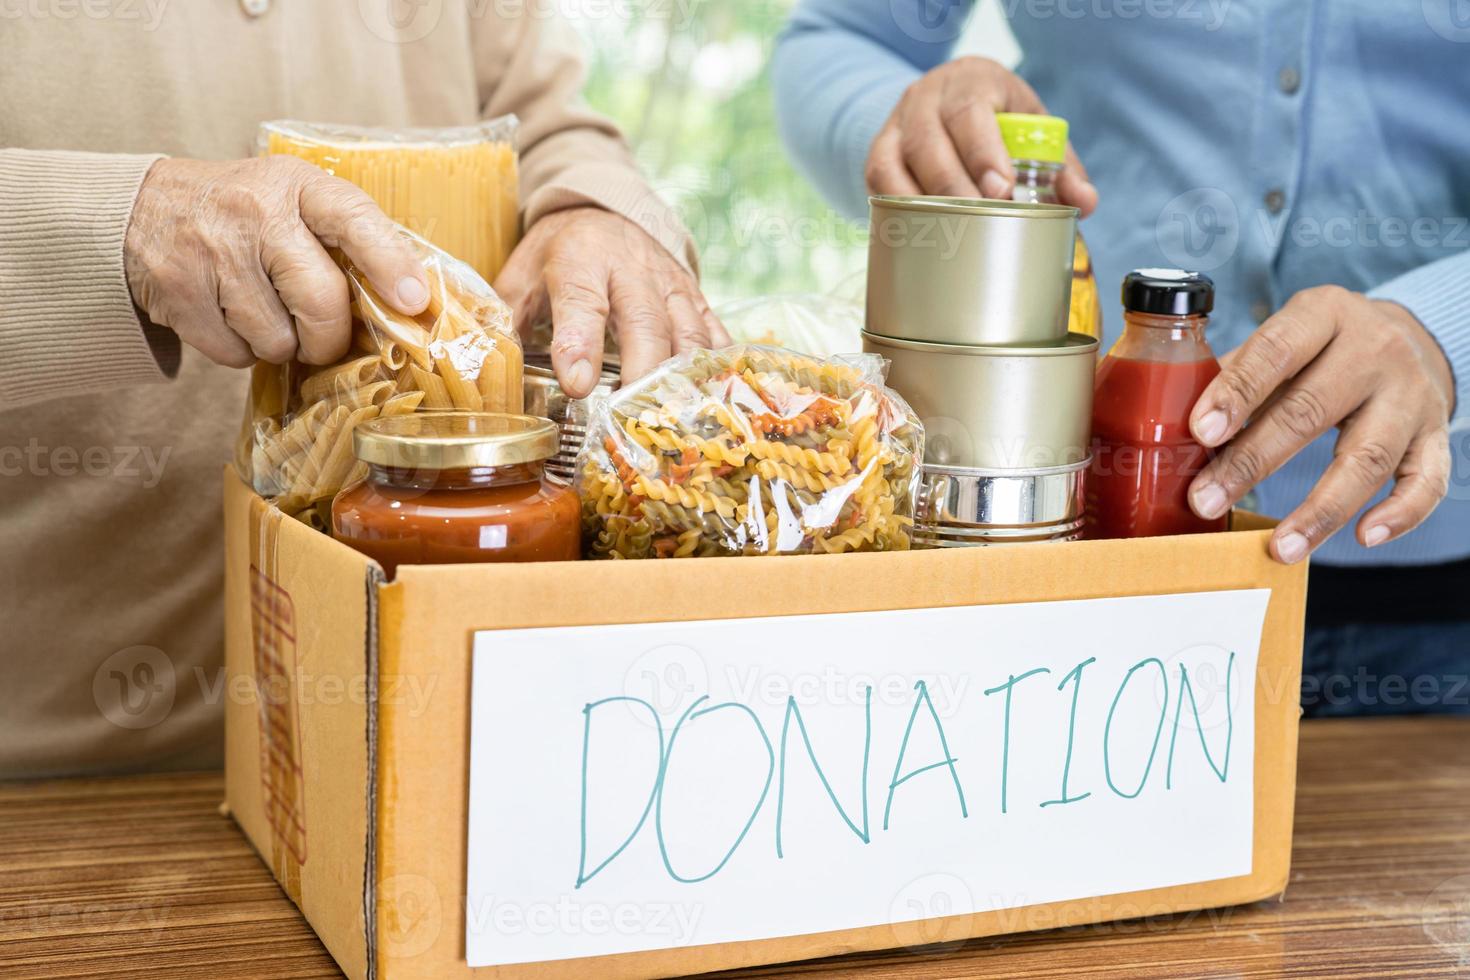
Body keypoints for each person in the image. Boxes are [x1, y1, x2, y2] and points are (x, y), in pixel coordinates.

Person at [0, 2, 725, 777]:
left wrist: (592, 206)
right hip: (53, 767)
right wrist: (121, 226)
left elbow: (552, 121)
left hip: (439, 758)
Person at [773, 1, 1469, 715]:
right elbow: (839, 37)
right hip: (1055, 575)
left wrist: (1442, 333)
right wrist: (916, 132)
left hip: (1435, 613)